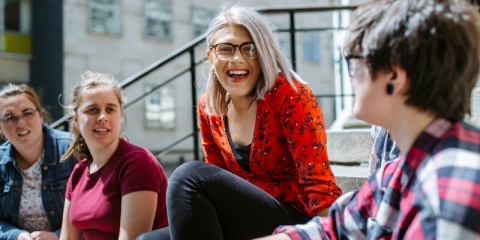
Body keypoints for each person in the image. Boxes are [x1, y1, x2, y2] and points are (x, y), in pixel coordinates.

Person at [257, 0, 480, 239]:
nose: (350, 77)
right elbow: (334, 228)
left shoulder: (449, 190)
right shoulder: (399, 170)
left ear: (394, 75)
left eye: (355, 62)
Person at [137, 5, 342, 240]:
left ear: (264, 54)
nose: (237, 59)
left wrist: (331, 232)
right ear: (211, 56)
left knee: (188, 176)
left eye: (250, 49)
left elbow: (319, 185)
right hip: (242, 217)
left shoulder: (290, 96)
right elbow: (218, 185)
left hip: (292, 216)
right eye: (225, 49)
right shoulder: (207, 108)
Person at [59, 71, 168, 240]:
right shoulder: (79, 172)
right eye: (92, 110)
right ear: (75, 120)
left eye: (110, 109)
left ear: (119, 115)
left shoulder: (138, 163)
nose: (102, 117)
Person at [0, 84, 77, 240]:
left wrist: (58, 236)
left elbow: (93, 208)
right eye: (10, 117)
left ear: (41, 115)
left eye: (27, 113)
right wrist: (17, 236)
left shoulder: (72, 150)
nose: (20, 123)